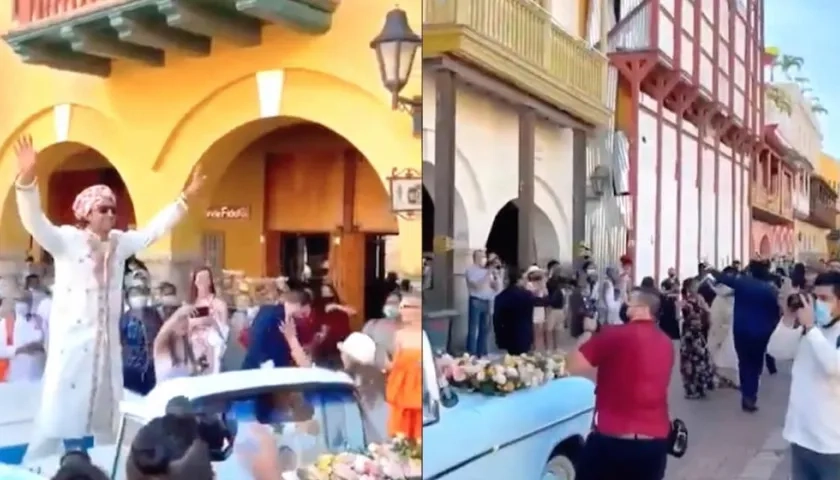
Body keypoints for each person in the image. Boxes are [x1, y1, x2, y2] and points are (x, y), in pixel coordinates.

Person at [12, 135, 205, 461]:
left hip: (106, 350)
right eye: (103, 209)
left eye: (113, 209)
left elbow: (153, 231)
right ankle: (32, 469)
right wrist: (28, 180)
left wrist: (184, 200)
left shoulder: (119, 244)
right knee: (55, 419)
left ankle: (112, 466)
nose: (111, 214)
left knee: (110, 421)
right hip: (72, 347)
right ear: (87, 213)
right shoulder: (67, 241)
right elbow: (35, 222)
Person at [566, 287, 673, 480]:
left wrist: (588, 333)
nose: (625, 305)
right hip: (655, 441)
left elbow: (572, 365)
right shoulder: (666, 342)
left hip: (612, 437)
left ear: (643, 308)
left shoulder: (614, 335)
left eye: (629, 302)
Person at [767, 271, 840, 480]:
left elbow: (834, 368)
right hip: (801, 438)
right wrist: (788, 318)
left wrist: (810, 327)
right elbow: (776, 350)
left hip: (833, 446)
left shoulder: (814, 331)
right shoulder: (811, 331)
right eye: (815, 298)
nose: (818, 304)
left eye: (825, 299)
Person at [712, 260, 781, 412]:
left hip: (741, 330)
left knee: (743, 362)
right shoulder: (771, 290)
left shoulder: (743, 283)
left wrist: (711, 269)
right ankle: (750, 395)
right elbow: (776, 313)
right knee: (756, 364)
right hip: (761, 333)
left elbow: (724, 278)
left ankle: (746, 393)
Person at [385, 293, 422, 441]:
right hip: (402, 396)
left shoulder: (425, 334)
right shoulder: (399, 335)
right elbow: (394, 365)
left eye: (406, 306)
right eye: (401, 307)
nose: (401, 310)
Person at [186, 267, 229, 375]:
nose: (203, 283)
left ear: (210, 281)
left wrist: (211, 322)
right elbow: (183, 331)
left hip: (212, 347)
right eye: (200, 279)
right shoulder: (189, 306)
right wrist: (195, 323)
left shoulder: (219, 305)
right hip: (193, 348)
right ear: (195, 282)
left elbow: (224, 335)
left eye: (206, 279)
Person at [120, 286, 163, 395]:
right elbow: (120, 340)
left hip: (152, 365)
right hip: (131, 367)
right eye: (134, 294)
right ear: (127, 299)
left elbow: (161, 333)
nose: (139, 297)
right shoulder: (124, 319)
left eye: (141, 293)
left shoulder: (154, 315)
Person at [0, 295, 47, 382]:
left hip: (36, 373)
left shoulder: (38, 319)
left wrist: (40, 345)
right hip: (12, 376)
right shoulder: (5, 324)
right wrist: (18, 350)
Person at [680, 280, 714, 399]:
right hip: (690, 333)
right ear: (688, 288)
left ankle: (701, 386)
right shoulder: (685, 301)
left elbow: (708, 312)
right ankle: (691, 388)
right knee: (690, 359)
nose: (696, 288)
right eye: (694, 286)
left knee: (700, 358)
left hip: (699, 332)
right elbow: (682, 316)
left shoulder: (699, 299)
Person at [493, 267, 535, 355]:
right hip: (524, 334)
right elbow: (530, 316)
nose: (526, 281)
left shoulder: (501, 296)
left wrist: (498, 336)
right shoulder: (527, 295)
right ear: (518, 280)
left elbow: (496, 319)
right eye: (525, 278)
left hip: (507, 335)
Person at [153, 305, 199, 382]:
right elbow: (163, 332)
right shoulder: (162, 344)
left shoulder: (186, 343)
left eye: (186, 318)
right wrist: (179, 313)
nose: (184, 323)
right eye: (180, 320)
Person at [312, 283, 355, 366]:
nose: (327, 295)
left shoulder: (339, 305)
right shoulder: (316, 307)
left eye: (329, 292)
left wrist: (336, 306)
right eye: (324, 292)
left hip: (340, 346)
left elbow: (353, 312)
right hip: (324, 348)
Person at [464, 250, 497, 356]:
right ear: (475, 258)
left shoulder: (486, 271)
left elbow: (495, 287)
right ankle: (472, 353)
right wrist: (488, 273)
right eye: (481, 257)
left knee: (485, 329)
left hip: (487, 301)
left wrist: (496, 275)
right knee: (474, 329)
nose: (484, 259)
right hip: (476, 301)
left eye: (484, 257)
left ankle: (481, 352)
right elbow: (477, 286)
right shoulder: (471, 270)